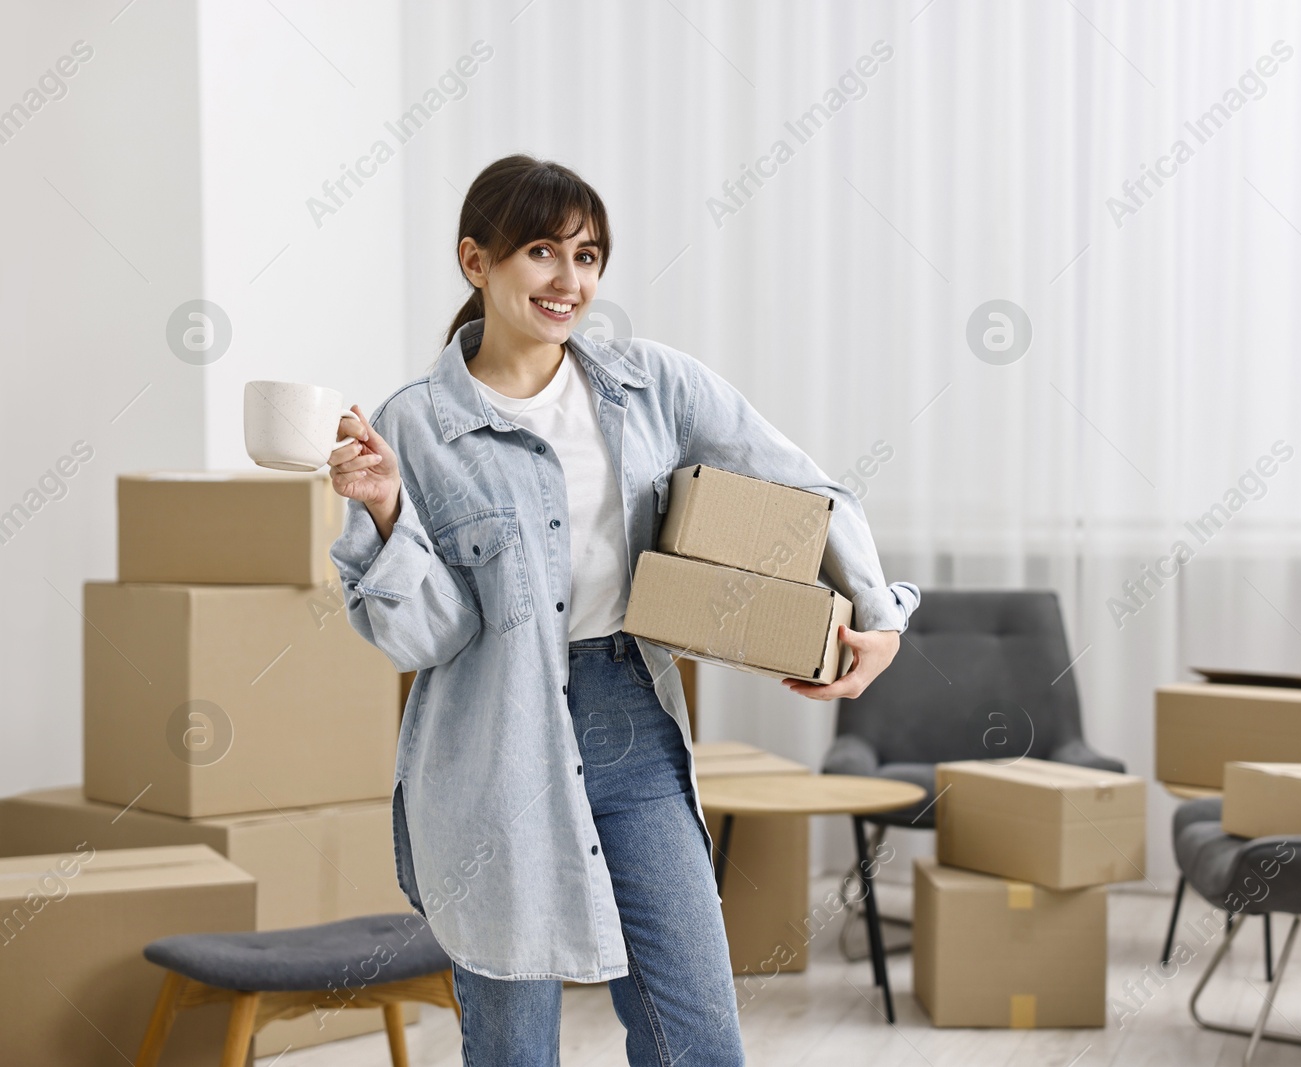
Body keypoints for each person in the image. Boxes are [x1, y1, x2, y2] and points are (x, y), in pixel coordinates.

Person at [325, 154, 920, 1066]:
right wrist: (387, 513)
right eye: (541, 252)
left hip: (632, 722)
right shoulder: (412, 428)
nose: (571, 282)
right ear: (475, 261)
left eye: (589, 256)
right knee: (518, 1049)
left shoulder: (653, 384)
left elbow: (802, 485)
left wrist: (878, 614)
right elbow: (433, 635)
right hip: (491, 741)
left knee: (699, 1042)